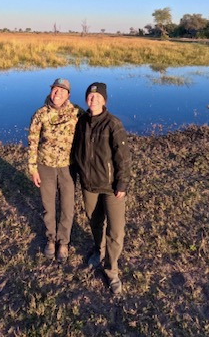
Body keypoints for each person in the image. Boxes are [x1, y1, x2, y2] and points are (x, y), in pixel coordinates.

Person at [72, 82, 132, 295]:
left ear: (104, 100)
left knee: (116, 231)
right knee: (95, 222)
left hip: (111, 187)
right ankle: (98, 251)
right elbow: (76, 151)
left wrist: (122, 183)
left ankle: (111, 270)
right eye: (90, 95)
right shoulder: (81, 122)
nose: (93, 99)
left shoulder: (112, 124)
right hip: (89, 185)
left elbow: (123, 158)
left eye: (97, 97)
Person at [27, 78, 82, 261]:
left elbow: (91, 128)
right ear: (51, 91)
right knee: (48, 206)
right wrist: (33, 168)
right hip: (45, 167)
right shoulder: (40, 114)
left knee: (67, 206)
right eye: (55, 90)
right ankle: (51, 239)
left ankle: (63, 242)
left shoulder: (76, 113)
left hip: (68, 167)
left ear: (68, 95)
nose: (57, 93)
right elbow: (33, 142)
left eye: (62, 91)